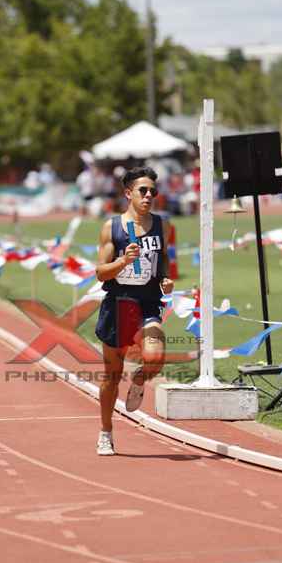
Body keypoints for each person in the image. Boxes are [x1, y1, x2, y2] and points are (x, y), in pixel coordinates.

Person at [94, 167, 174, 455]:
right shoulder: (112, 227)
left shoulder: (162, 225)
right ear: (128, 193)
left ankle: (140, 379)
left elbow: (163, 259)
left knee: (155, 358)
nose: (149, 195)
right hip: (119, 303)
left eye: (153, 191)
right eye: (143, 190)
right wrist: (122, 263)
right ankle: (106, 432)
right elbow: (100, 273)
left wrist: (165, 279)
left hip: (148, 303)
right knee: (111, 376)